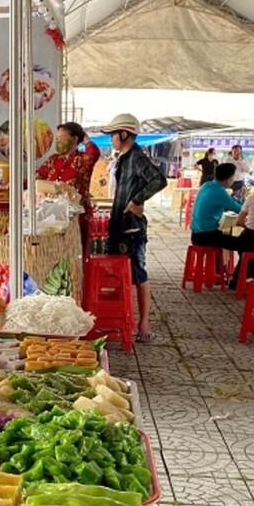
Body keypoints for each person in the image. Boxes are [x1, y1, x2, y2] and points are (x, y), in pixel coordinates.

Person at [101, 113, 167, 343]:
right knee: (121, 275)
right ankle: (123, 320)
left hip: (132, 228)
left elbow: (159, 180)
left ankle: (144, 324)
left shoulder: (137, 156)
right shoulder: (124, 157)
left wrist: (137, 201)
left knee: (139, 274)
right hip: (120, 223)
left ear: (124, 134)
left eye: (112, 135)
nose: (111, 140)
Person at [36, 122, 100, 250]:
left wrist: (85, 138)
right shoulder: (53, 160)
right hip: (52, 216)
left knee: (76, 252)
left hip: (76, 218)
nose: (59, 141)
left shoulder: (82, 160)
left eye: (62, 138)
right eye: (57, 138)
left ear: (74, 139)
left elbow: (94, 153)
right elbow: (38, 176)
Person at [190, 162, 242, 250]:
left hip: (196, 233)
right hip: (206, 236)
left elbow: (223, 206)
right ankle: (239, 264)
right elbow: (239, 209)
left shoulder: (206, 185)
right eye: (233, 178)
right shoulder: (220, 192)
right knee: (244, 244)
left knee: (231, 239)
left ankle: (217, 263)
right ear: (228, 180)